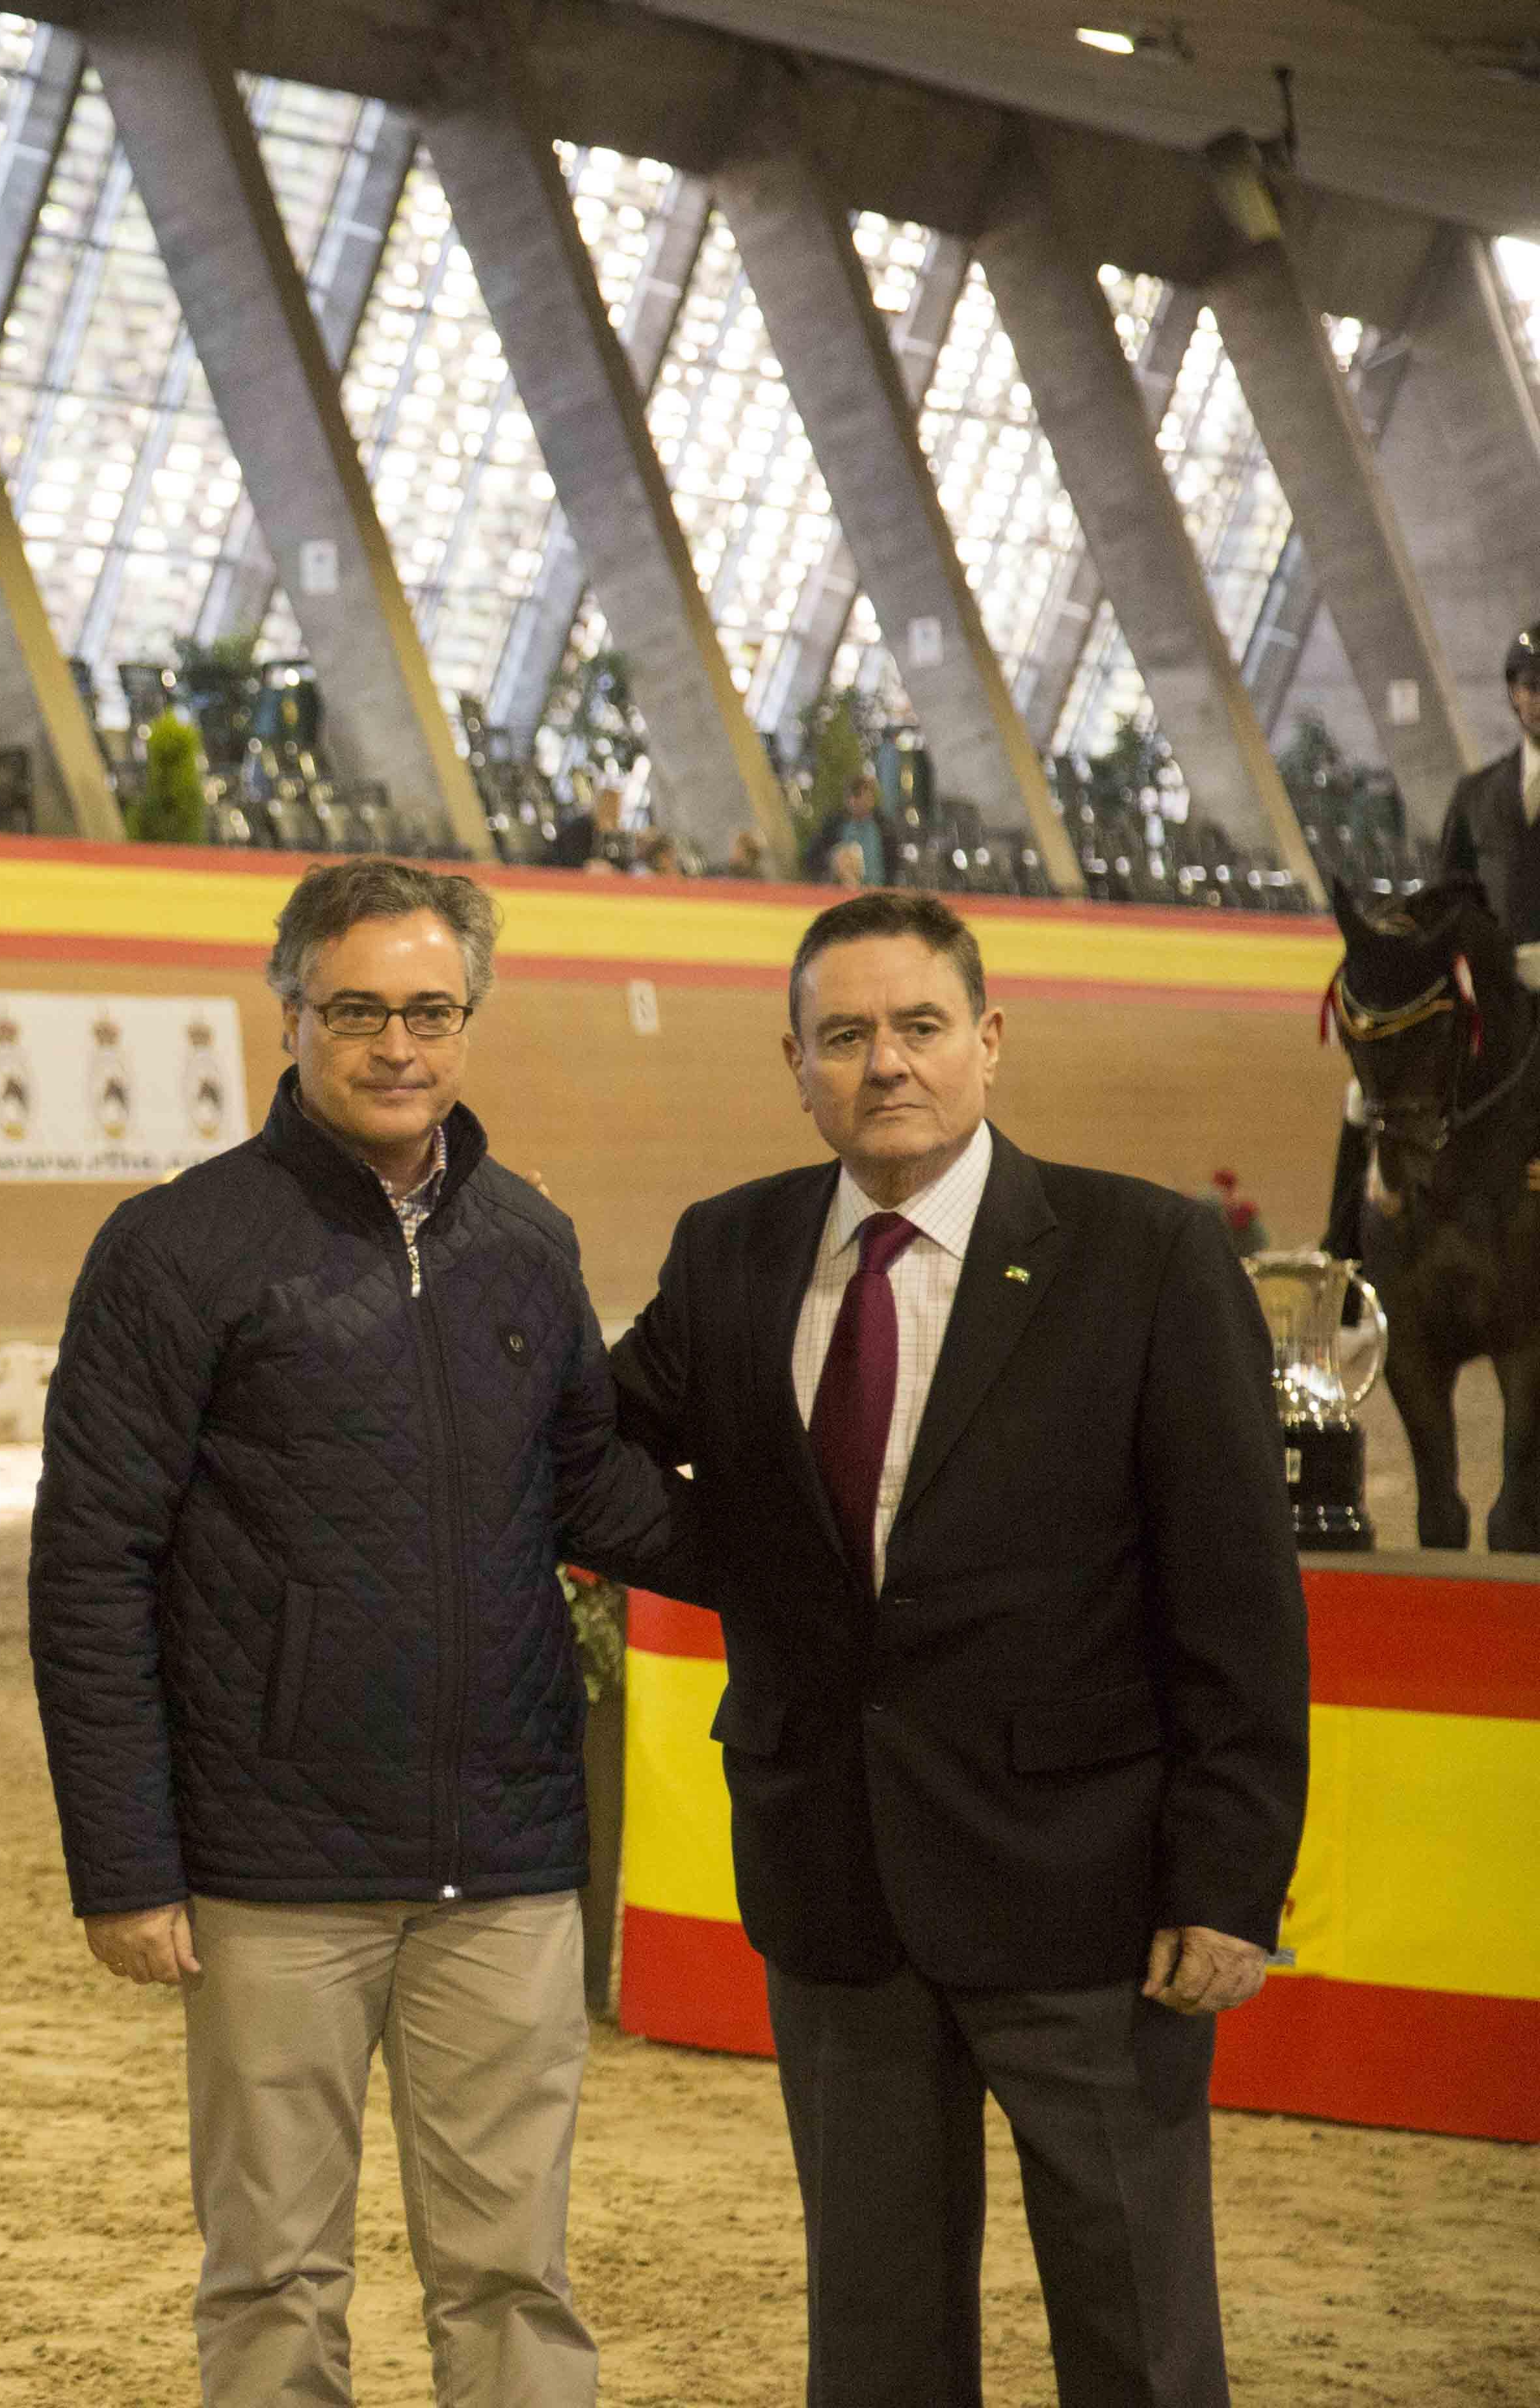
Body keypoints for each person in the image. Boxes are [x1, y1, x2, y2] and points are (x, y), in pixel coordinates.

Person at [609, 890, 1307, 2408]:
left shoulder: (1146, 1254)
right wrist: (731, 1566)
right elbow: (597, 1452)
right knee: (870, 2344)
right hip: (835, 1889)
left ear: (985, 1042)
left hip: (1089, 1899)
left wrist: (1224, 1875)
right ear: (791, 1062)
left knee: (1132, 2330)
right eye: (842, 1036)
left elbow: (1236, 1597)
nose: (883, 1065)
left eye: (916, 1027)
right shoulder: (725, 1251)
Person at [29, 856, 688, 2408]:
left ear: (468, 1019)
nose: (395, 1044)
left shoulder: (524, 1237)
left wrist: (824, 1539)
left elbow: (587, 1484)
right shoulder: (173, 1247)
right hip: (271, 1872)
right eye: (357, 1010)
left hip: (506, 1862)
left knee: (514, 2273)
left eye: (428, 1010)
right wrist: (125, 1865)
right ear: (288, 1013)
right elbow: (91, 1562)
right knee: (271, 2277)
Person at [1333, 618, 1540, 1252]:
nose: (1537, 697)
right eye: (1528, 685)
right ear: (1512, 693)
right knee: (1365, 1094)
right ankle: (1343, 1255)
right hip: (1494, 980)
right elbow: (1450, 890)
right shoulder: (1477, 794)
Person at [812, 770, 894, 886]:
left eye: (864, 795)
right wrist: (832, 860)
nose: (859, 802)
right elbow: (813, 858)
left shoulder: (885, 828)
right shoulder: (834, 825)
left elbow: (895, 866)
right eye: (855, 796)